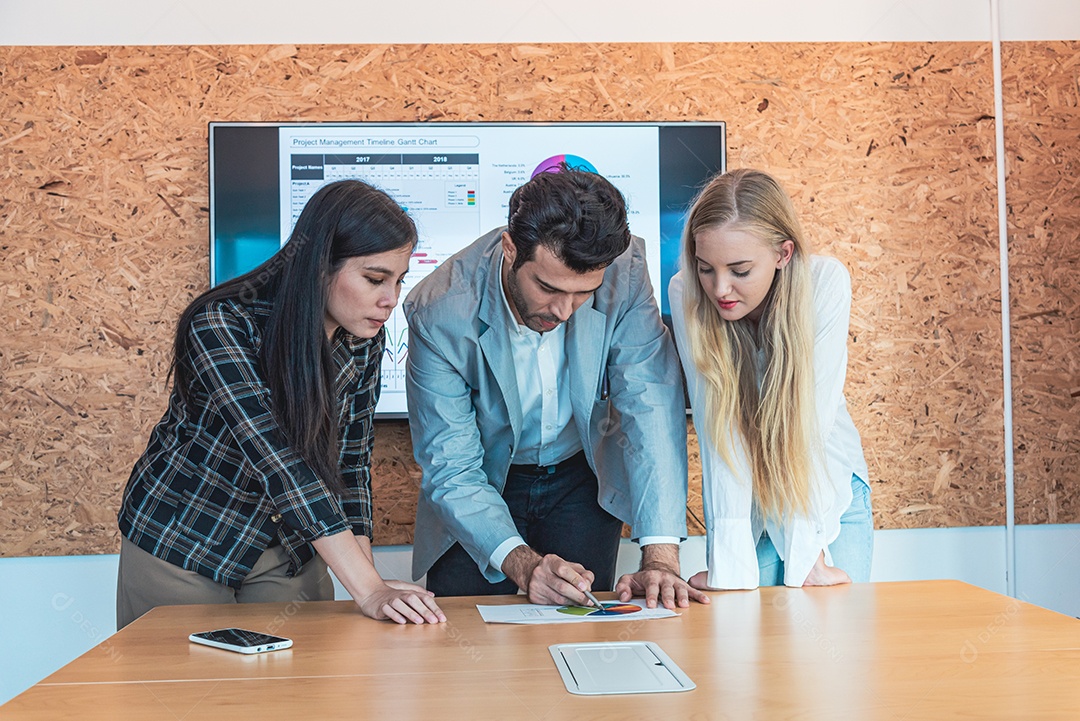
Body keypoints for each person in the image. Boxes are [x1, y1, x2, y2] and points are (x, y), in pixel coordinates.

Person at [117, 180, 445, 628]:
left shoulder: (364, 338)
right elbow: (278, 459)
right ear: (320, 266)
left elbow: (349, 466)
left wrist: (369, 587)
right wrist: (367, 587)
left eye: (398, 280)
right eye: (374, 279)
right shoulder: (221, 322)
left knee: (307, 690)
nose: (391, 300)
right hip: (186, 538)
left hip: (290, 547)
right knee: (185, 692)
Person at [404, 165, 710, 609]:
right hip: (481, 480)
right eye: (547, 287)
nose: (565, 311)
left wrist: (660, 557)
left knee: (580, 622)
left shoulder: (624, 273)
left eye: (584, 292)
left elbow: (650, 402)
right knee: (464, 637)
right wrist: (526, 567)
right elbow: (451, 467)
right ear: (510, 248)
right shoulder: (439, 310)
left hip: (579, 477)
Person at [669, 168, 873, 590]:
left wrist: (809, 557)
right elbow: (718, 431)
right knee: (746, 650)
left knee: (831, 651)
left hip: (825, 498)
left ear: (784, 254)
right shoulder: (685, 292)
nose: (720, 289)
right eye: (706, 268)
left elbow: (806, 428)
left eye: (740, 270)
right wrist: (729, 564)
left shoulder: (824, 283)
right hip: (747, 511)